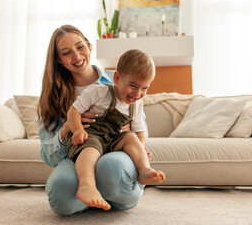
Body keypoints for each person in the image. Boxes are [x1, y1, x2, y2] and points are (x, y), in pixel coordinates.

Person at [37, 25, 151, 215]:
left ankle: (114, 194)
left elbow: (139, 128)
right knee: (61, 191)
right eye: (66, 53)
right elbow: (49, 157)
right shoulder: (51, 99)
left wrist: (135, 144)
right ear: (59, 60)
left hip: (114, 151)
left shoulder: (122, 82)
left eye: (80, 47)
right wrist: (68, 127)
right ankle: (89, 192)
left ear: (89, 46)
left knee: (111, 167)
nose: (76, 56)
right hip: (77, 155)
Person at [65, 49, 165, 210]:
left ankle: (144, 170)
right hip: (92, 134)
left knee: (130, 137)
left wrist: (140, 147)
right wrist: (77, 130)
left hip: (114, 139)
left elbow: (139, 129)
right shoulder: (99, 92)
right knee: (90, 149)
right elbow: (74, 111)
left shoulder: (137, 104)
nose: (138, 93)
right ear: (117, 77)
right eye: (133, 86)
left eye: (144, 88)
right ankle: (87, 185)